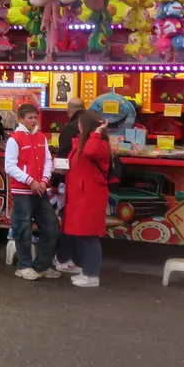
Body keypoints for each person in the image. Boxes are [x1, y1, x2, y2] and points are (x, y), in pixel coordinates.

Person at [4, 102, 60, 280]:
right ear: (21, 119)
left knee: (51, 226)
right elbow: (10, 167)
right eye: (30, 118)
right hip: (23, 191)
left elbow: (47, 161)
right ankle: (24, 266)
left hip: (40, 190)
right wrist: (30, 181)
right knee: (22, 229)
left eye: (36, 117)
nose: (34, 121)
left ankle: (42, 265)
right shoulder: (14, 139)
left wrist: (43, 180)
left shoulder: (41, 137)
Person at [63, 110, 112, 288]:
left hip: (89, 194)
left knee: (89, 236)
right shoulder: (84, 142)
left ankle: (92, 275)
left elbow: (90, 152)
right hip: (81, 193)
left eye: (81, 123)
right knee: (83, 235)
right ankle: (86, 271)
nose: (78, 126)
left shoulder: (99, 144)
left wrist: (97, 133)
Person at [52, 96, 86, 274]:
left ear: (68, 110)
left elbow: (62, 160)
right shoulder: (91, 126)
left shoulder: (69, 129)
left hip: (69, 181)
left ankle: (63, 258)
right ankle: (72, 259)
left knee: (66, 221)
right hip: (83, 182)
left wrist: (55, 182)